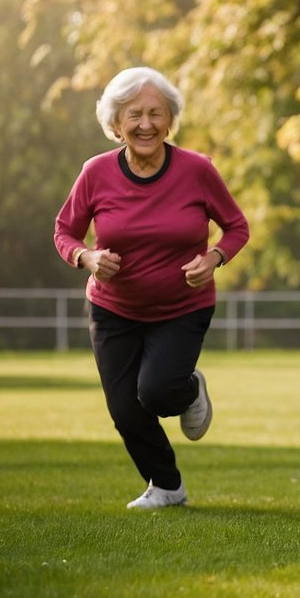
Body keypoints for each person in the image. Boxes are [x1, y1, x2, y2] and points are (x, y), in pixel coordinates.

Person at [54, 67, 249, 510]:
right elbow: (65, 231)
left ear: (170, 119)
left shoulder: (197, 170)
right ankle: (166, 485)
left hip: (182, 306)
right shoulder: (96, 173)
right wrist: (87, 258)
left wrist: (214, 258)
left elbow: (236, 226)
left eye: (156, 113)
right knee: (125, 410)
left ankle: (188, 388)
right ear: (116, 123)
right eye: (134, 114)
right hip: (113, 309)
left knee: (158, 393)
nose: (146, 124)